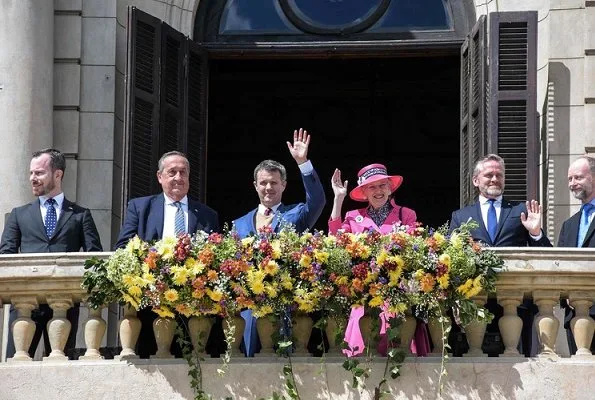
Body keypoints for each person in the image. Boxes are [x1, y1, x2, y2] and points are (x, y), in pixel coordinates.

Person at [114, 151, 220, 358]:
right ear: (159, 176)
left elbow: (216, 255)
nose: (178, 178)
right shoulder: (140, 207)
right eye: (172, 172)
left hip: (194, 303)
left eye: (183, 173)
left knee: (192, 359)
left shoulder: (208, 215)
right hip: (151, 302)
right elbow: (123, 246)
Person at [0, 148, 103, 359]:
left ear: (58, 174)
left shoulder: (80, 215)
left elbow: (95, 258)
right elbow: (6, 257)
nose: (33, 178)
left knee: (61, 366)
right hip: (24, 305)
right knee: (17, 368)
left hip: (64, 304)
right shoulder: (18, 215)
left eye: (39, 173)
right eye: (31, 173)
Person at [233, 128, 326, 357]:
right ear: (255, 185)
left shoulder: (296, 214)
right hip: (249, 310)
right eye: (263, 183)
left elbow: (318, 201)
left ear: (283, 185)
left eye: (274, 182)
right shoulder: (239, 224)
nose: (268, 188)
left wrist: (303, 163)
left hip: (286, 306)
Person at [449, 154, 552, 356]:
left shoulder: (521, 210)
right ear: (476, 180)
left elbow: (544, 252)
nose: (495, 179)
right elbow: (450, 257)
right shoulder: (460, 216)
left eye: (499, 175)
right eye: (489, 175)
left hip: (516, 303)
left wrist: (535, 232)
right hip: (476, 300)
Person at [329, 163, 429, 357]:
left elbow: (414, 250)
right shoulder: (352, 216)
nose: (378, 191)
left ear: (390, 188)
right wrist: (338, 198)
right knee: (362, 360)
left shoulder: (406, 214)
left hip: (397, 299)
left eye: (382, 185)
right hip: (364, 301)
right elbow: (335, 242)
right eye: (372, 187)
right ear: (364, 192)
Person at [557, 155, 595, 354]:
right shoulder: (568, 225)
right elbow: (558, 266)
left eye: (578, 177)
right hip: (575, 316)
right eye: (570, 179)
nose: (572, 184)